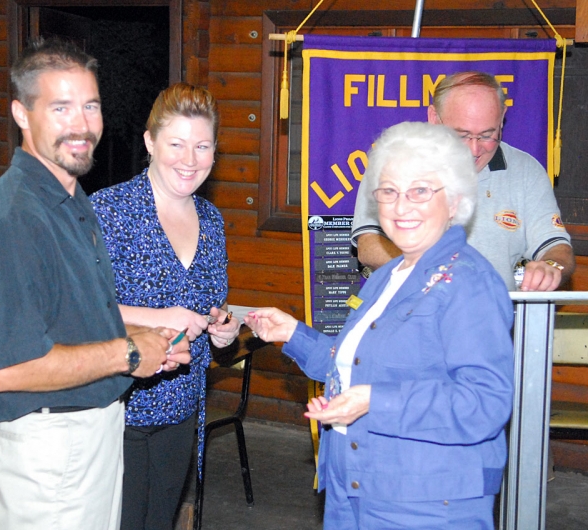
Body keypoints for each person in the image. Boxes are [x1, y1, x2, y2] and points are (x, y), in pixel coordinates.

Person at [0, 38, 191, 530]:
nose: (81, 125)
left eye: (90, 106)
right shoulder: (12, 219)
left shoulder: (70, 198)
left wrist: (150, 344)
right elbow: (9, 370)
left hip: (91, 431)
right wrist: (128, 354)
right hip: (51, 446)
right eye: (60, 108)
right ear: (22, 113)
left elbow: (74, 320)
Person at [246, 122, 514, 529]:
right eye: (388, 191)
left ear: (455, 199)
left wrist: (376, 400)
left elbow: (485, 404)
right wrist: (292, 334)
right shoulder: (390, 276)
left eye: (420, 191)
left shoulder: (469, 283)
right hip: (354, 490)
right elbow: (356, 365)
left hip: (425, 507)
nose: (400, 206)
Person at [90, 82, 240, 530]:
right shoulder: (108, 211)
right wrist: (159, 319)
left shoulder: (212, 220)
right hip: (118, 408)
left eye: (202, 146)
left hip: (182, 408)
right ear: (150, 142)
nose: (189, 159)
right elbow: (76, 311)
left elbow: (214, 308)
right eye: (176, 143)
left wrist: (224, 330)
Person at [351, 71, 575, 291]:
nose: (474, 149)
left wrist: (550, 267)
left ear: (502, 117)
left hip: (491, 320)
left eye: (487, 135)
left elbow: (556, 247)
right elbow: (369, 246)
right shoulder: (394, 163)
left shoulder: (526, 171)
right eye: (461, 135)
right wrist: (437, 270)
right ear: (434, 119)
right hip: (407, 317)